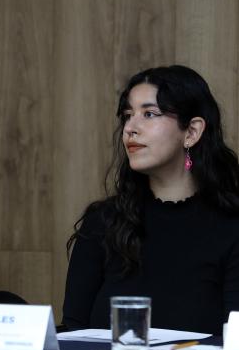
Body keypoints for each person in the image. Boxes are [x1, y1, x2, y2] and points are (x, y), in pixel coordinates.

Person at [62, 65, 239, 334]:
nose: (130, 128)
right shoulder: (102, 222)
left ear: (191, 132)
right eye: (127, 115)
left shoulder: (231, 227)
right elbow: (74, 334)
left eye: (149, 114)